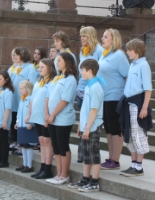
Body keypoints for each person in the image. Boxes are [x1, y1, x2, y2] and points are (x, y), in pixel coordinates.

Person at [68, 59, 105, 192]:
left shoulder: (95, 87)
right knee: (85, 154)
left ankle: (94, 182)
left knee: (93, 154)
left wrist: (88, 127)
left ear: (90, 71)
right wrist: (80, 125)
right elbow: (85, 109)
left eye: (82, 70)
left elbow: (94, 110)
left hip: (93, 126)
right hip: (86, 126)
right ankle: (85, 178)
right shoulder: (89, 86)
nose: (81, 73)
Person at [117, 38, 152, 177]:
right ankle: (133, 164)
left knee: (138, 134)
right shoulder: (133, 65)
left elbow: (148, 89)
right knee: (130, 134)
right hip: (128, 102)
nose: (127, 52)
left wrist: (144, 108)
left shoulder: (144, 65)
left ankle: (138, 167)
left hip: (137, 103)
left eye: (129, 50)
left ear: (137, 50)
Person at [97, 28, 130, 170]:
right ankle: (110, 157)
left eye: (105, 37)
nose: (102, 39)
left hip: (115, 97)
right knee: (109, 129)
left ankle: (115, 160)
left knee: (115, 129)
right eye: (103, 36)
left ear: (113, 39)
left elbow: (128, 75)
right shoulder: (104, 55)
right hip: (104, 97)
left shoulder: (119, 56)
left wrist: (127, 96)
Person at [45, 52, 77, 184]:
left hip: (62, 118)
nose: (56, 63)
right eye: (56, 60)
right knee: (56, 146)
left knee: (63, 146)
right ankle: (58, 174)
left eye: (59, 60)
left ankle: (65, 175)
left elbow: (64, 100)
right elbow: (48, 97)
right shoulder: (57, 77)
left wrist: (52, 115)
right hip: (52, 118)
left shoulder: (70, 79)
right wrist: (47, 114)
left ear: (67, 62)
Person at [76, 26, 103, 163]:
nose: (82, 38)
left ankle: (88, 155)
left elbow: (99, 70)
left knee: (89, 120)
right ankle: (82, 154)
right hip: (82, 89)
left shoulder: (98, 50)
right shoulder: (83, 51)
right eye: (81, 36)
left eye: (84, 36)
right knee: (82, 117)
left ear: (91, 36)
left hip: (92, 88)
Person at [26, 58, 56, 179]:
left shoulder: (52, 82)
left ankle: (47, 168)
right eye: (39, 67)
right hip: (37, 116)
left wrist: (47, 116)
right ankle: (42, 167)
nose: (40, 69)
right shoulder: (39, 81)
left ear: (49, 68)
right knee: (42, 142)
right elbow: (32, 99)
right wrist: (29, 114)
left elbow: (49, 100)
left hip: (45, 117)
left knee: (47, 142)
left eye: (43, 67)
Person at [10, 47, 37, 155]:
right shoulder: (12, 68)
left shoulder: (30, 68)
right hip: (13, 100)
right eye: (13, 55)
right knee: (14, 122)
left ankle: (23, 145)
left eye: (16, 54)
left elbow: (31, 84)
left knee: (22, 123)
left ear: (23, 55)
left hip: (24, 101)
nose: (14, 57)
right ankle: (15, 142)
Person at [14, 80, 36, 173]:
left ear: (27, 89)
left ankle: (29, 165)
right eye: (20, 89)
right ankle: (24, 164)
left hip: (28, 126)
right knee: (23, 145)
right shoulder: (22, 99)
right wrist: (17, 121)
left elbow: (33, 112)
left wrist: (31, 123)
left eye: (22, 89)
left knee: (28, 146)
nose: (20, 90)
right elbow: (19, 112)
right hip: (22, 126)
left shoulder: (31, 99)